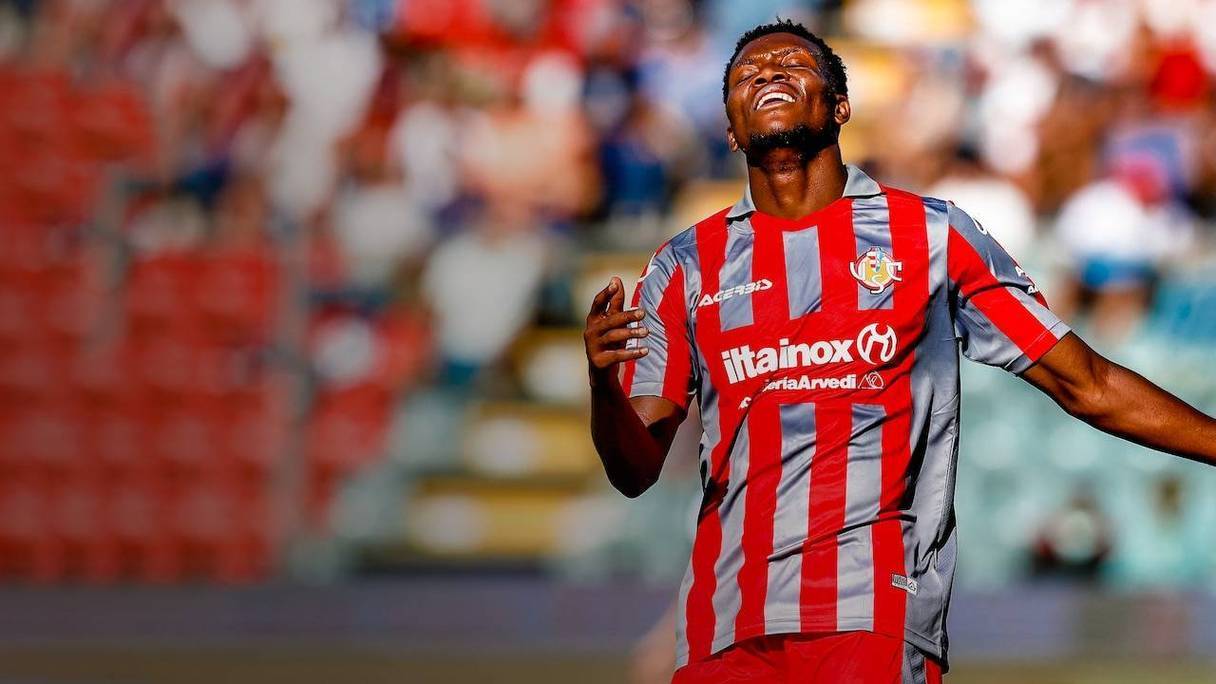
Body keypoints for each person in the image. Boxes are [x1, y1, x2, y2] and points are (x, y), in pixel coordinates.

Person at [582, 19, 1216, 683]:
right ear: (733, 132)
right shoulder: (683, 267)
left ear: (840, 106)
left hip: (872, 615)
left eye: (793, 63)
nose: (767, 72)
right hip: (726, 627)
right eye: (745, 74)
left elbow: (1087, 383)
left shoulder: (932, 236)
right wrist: (603, 388)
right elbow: (634, 470)